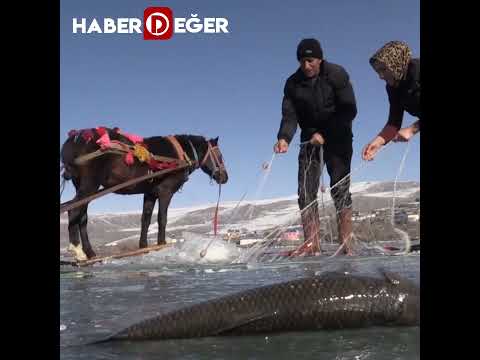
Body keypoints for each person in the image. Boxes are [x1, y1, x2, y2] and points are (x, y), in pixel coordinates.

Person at [274, 38, 358, 255]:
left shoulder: (336, 74)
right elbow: (290, 115)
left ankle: (346, 243)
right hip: (309, 139)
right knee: (305, 191)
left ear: (320, 59)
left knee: (339, 188)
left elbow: (349, 111)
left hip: (338, 136)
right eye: (302, 61)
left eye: (310, 60)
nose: (306, 66)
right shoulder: (292, 83)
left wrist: (326, 133)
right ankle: (312, 245)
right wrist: (284, 138)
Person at [362, 41, 420, 161]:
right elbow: (394, 122)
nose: (381, 76)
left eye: (383, 69)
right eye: (378, 72)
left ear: (396, 62)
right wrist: (377, 142)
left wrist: (412, 129)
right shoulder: (393, 87)